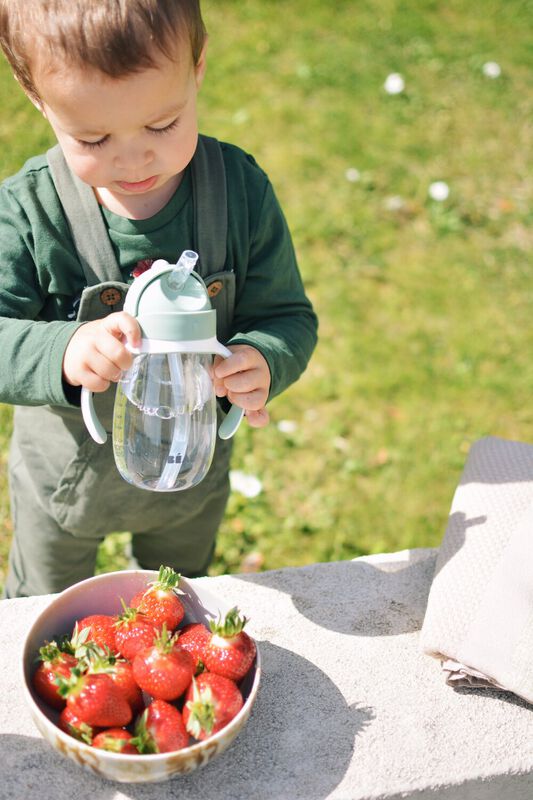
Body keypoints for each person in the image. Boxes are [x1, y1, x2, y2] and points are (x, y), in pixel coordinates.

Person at [0, 0, 318, 598]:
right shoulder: (28, 213)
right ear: (36, 96)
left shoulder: (239, 194)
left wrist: (264, 357)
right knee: (45, 609)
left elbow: (286, 316)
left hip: (189, 477)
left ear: (197, 68)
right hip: (65, 485)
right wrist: (64, 351)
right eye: (93, 137)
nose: (133, 157)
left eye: (162, 125)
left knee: (176, 595)